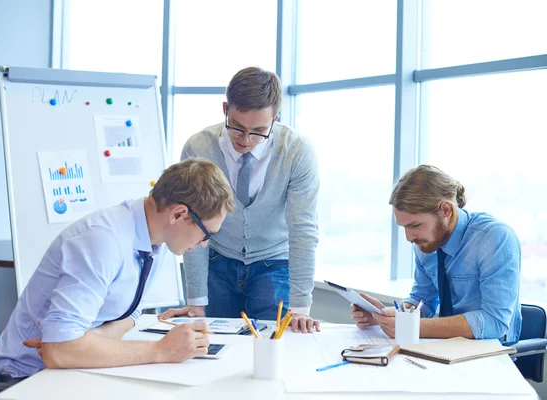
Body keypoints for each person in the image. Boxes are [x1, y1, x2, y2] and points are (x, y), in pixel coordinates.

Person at [0, 158, 235, 381]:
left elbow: (129, 316)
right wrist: (161, 350)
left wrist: (85, 342)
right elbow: (59, 351)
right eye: (206, 234)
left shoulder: (154, 240)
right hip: (22, 381)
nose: (204, 244)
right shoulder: (103, 240)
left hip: (70, 373)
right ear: (178, 214)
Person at [159, 67, 320, 333]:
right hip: (217, 261)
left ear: (276, 119)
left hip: (274, 263)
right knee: (213, 345)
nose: (245, 140)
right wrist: (196, 300)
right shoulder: (199, 148)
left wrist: (301, 305)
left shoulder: (297, 152)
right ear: (225, 109)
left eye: (258, 131)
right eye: (237, 127)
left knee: (271, 344)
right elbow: (192, 224)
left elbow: (303, 228)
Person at [351, 165, 522, 343]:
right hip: (446, 350)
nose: (409, 238)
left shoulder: (494, 238)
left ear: (446, 210)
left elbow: (495, 322)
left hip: (492, 356)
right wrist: (383, 316)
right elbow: (422, 302)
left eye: (415, 225)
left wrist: (412, 327)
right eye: (404, 227)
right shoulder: (427, 242)